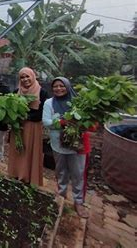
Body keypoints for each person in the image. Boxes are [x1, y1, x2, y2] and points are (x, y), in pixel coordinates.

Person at [42, 77, 92, 218]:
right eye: (55, 86)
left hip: (77, 146)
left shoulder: (79, 103)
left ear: (68, 87)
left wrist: (80, 124)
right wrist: (63, 122)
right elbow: (46, 122)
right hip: (58, 145)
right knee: (61, 171)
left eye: (62, 86)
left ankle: (79, 202)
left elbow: (90, 123)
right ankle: (61, 194)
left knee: (78, 174)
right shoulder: (49, 103)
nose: (58, 89)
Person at [7, 67, 48, 186]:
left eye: (27, 76)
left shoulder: (42, 92)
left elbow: (41, 113)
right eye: (22, 77)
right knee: (18, 150)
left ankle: (30, 177)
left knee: (30, 151)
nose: (25, 79)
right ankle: (16, 173)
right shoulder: (16, 92)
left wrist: (25, 116)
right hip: (18, 127)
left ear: (33, 76)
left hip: (33, 127)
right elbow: (11, 109)